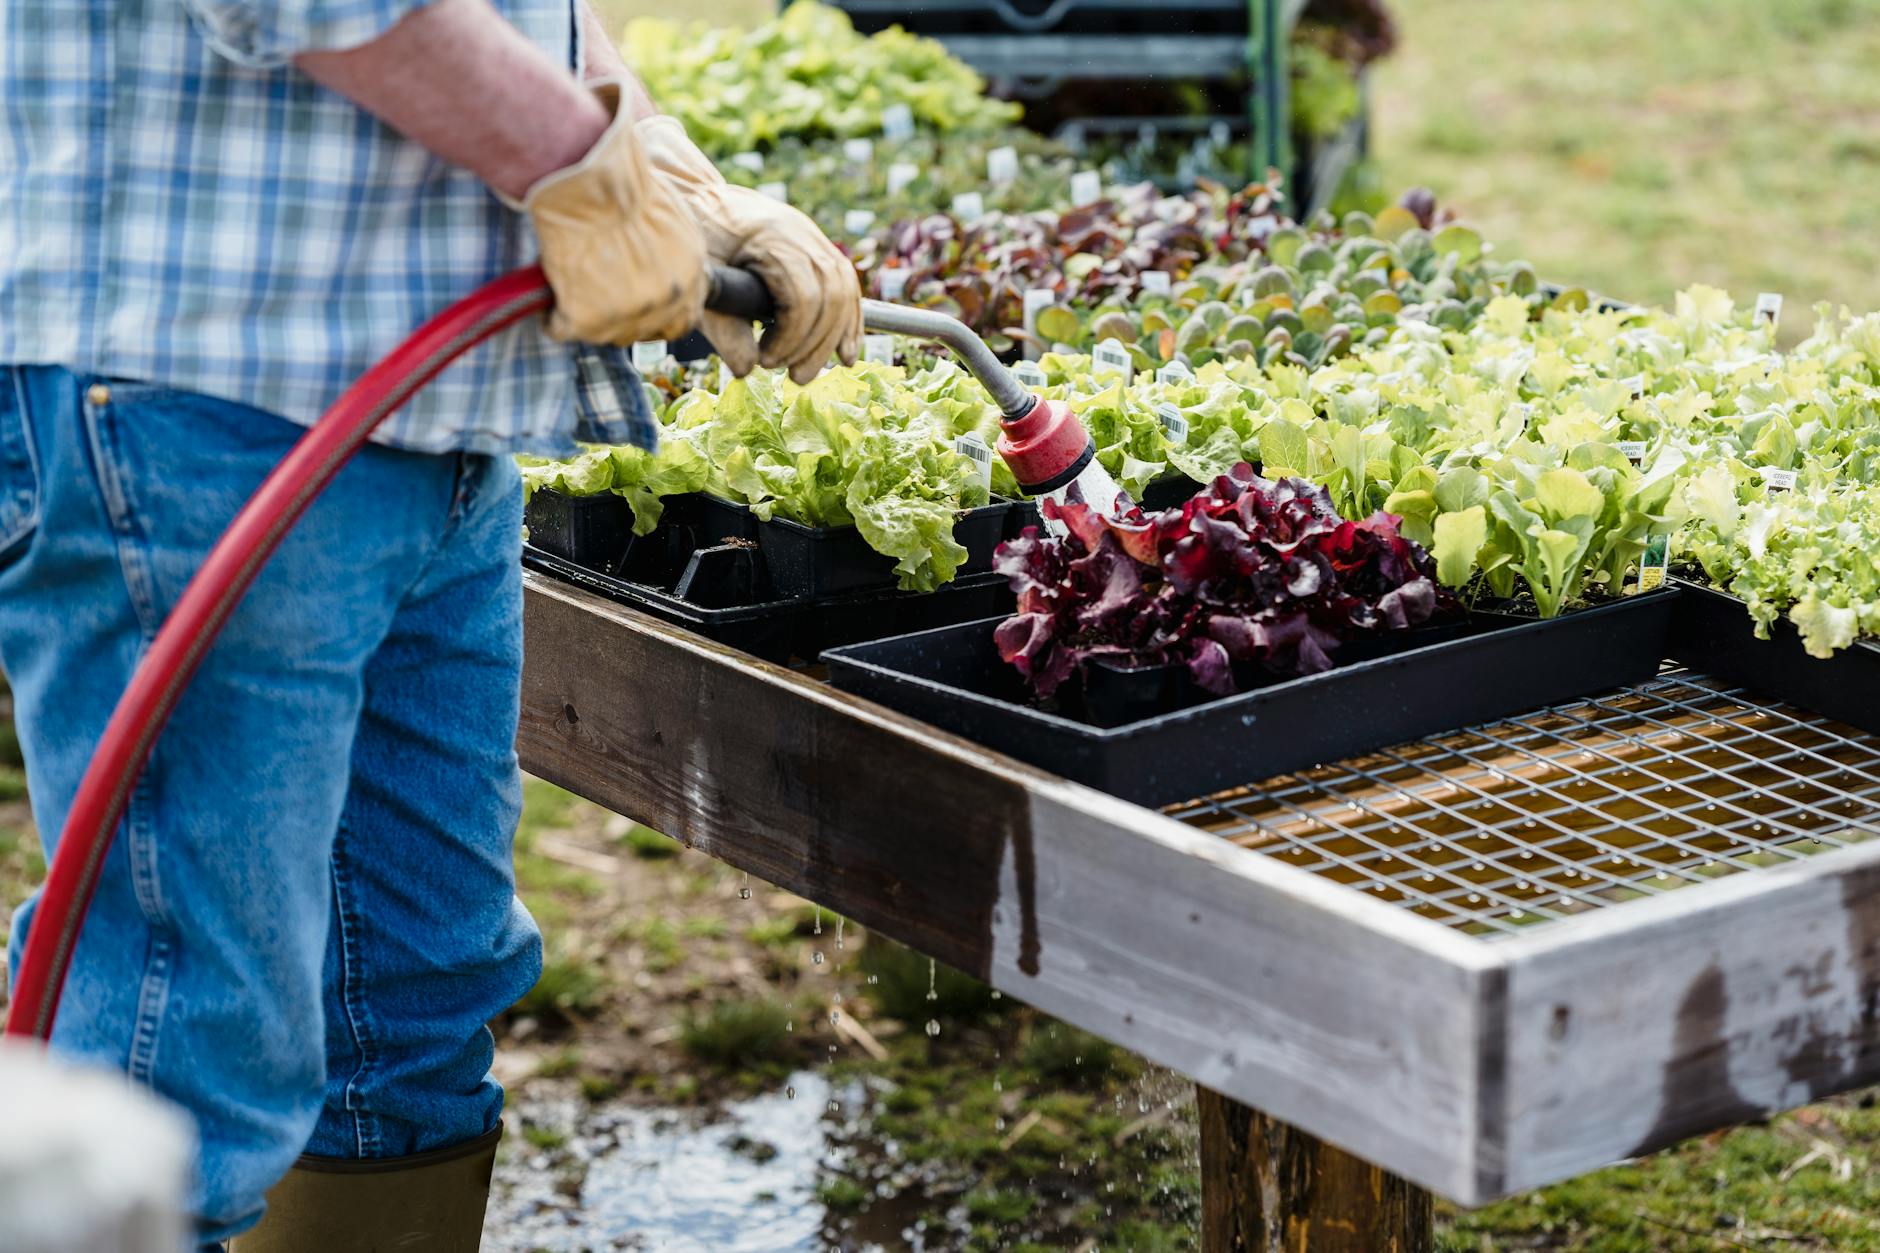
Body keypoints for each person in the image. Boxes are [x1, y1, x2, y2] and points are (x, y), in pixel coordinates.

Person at [0, 0, 863, 1247]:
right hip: (200, 397)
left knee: (401, 999)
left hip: (426, 412)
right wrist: (582, 167)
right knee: (176, 1051)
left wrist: (667, 169)